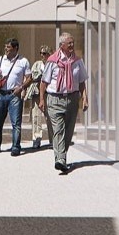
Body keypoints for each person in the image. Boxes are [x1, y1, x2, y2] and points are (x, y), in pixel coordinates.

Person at [40, 33, 88, 175]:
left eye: (73, 43)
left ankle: (61, 156)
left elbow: (82, 82)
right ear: (61, 45)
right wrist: (42, 99)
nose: (72, 46)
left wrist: (85, 98)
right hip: (55, 99)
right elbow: (44, 82)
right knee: (58, 130)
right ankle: (60, 159)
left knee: (68, 132)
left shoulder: (78, 61)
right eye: (69, 43)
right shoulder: (52, 61)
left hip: (72, 99)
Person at [0, 38, 31, 156]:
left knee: (16, 123)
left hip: (15, 95)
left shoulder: (23, 61)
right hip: (1, 94)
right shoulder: (1, 59)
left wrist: (21, 87)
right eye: (5, 47)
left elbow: (29, 78)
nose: (6, 49)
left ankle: (16, 147)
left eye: (8, 47)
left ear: (15, 48)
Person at [24, 44, 53, 150]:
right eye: (40, 53)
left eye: (44, 53)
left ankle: (53, 139)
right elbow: (33, 76)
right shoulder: (37, 64)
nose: (42, 55)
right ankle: (36, 138)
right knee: (36, 117)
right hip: (36, 93)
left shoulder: (53, 64)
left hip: (49, 94)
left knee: (50, 117)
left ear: (49, 54)